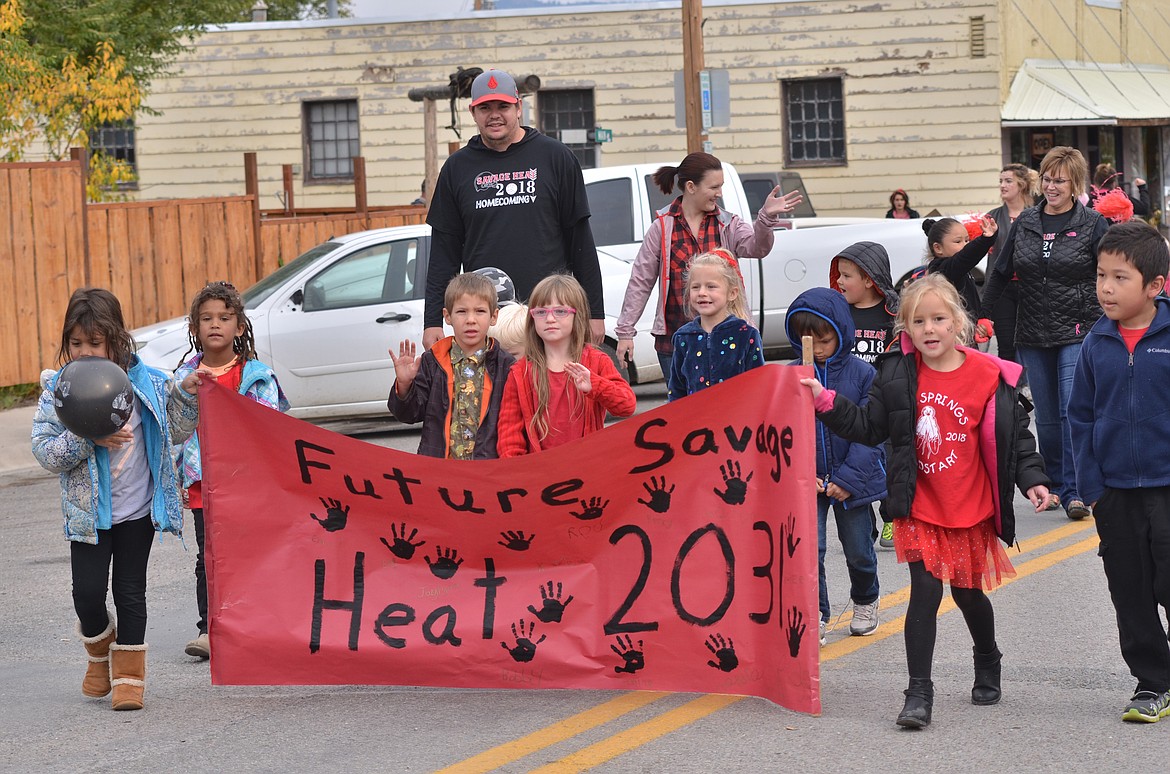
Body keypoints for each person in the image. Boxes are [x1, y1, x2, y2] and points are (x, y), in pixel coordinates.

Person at [801, 274, 1050, 729]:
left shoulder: (988, 376)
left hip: (969, 507)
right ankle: (919, 693)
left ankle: (987, 656)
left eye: (939, 318)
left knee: (969, 594)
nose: (930, 328)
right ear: (906, 329)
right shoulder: (896, 373)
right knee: (926, 591)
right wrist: (824, 401)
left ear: (959, 322)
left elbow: (1015, 439)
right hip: (919, 503)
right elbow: (868, 426)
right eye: (919, 321)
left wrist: (1032, 479)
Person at [31, 288, 205, 711]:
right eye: (76, 344)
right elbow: (44, 450)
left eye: (95, 342)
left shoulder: (148, 382)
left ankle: (129, 678)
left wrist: (185, 392)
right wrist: (87, 440)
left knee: (130, 592)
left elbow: (177, 431)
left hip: (138, 511)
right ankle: (99, 650)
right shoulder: (59, 389)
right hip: (89, 516)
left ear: (116, 338)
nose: (85, 351)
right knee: (87, 595)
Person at [1068, 220, 1170, 723]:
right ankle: (1153, 683)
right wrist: (1092, 486)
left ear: (1155, 285)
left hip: (1167, 487)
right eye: (1101, 276)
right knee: (1129, 590)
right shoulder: (1096, 342)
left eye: (1120, 278)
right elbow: (1080, 415)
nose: (1106, 287)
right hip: (1115, 492)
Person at [424, 68, 605, 350]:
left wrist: (595, 312)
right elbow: (443, 254)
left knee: (551, 392)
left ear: (519, 108)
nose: (494, 114)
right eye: (485, 107)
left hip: (549, 313)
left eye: (503, 106)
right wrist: (432, 320)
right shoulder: (456, 169)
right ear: (473, 113)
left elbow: (580, 240)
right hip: (487, 319)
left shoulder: (556, 158)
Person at [978, 146, 1108, 521]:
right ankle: (1053, 482)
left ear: (1075, 184)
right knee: (1047, 417)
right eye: (1047, 179)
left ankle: (1076, 489)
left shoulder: (1092, 224)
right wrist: (983, 316)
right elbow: (1000, 273)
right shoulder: (1027, 222)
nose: (1051, 186)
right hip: (1032, 331)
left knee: (1071, 410)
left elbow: (1112, 269)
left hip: (1078, 330)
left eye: (1059, 180)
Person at [173, 281, 290, 660]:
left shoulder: (255, 376)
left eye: (224, 317)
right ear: (195, 328)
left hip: (248, 485)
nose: (215, 325)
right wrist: (185, 393)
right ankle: (209, 629)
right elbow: (172, 426)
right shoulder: (183, 379)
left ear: (240, 326)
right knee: (209, 555)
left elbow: (270, 429)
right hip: (204, 484)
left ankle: (258, 624)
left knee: (252, 553)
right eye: (206, 318)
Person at [616, 151, 803, 378]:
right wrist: (625, 332)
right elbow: (641, 281)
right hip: (675, 342)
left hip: (728, 339)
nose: (720, 193)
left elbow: (757, 248)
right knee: (684, 411)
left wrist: (765, 219)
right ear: (692, 187)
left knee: (729, 407)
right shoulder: (662, 227)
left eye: (721, 186)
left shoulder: (728, 223)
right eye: (714, 187)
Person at [784, 287, 884, 645]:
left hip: (850, 481)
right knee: (811, 551)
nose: (817, 347)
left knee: (858, 548)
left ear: (840, 331)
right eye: (806, 339)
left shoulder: (862, 374)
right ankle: (817, 614)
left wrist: (848, 479)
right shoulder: (791, 376)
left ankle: (866, 599)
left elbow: (872, 433)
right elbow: (784, 431)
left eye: (824, 339)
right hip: (807, 481)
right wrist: (799, 473)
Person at [497, 274, 635, 457]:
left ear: (577, 315)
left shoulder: (596, 361)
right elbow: (509, 434)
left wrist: (595, 385)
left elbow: (626, 406)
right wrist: (518, 471)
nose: (550, 319)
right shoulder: (520, 372)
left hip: (588, 468)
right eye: (541, 312)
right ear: (532, 319)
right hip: (541, 475)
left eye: (560, 311)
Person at [389, 272, 515, 460]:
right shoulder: (433, 361)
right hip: (441, 473)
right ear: (447, 316)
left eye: (479, 311)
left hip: (487, 472)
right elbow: (409, 414)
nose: (470, 320)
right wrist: (405, 385)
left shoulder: (506, 366)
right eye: (461, 311)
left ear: (494, 316)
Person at [829, 241, 901, 549]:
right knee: (854, 461)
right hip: (849, 403)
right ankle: (865, 524)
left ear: (869, 279)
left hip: (885, 402)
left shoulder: (895, 312)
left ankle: (891, 517)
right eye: (839, 276)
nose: (839, 282)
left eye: (847, 276)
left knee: (887, 462)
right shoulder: (839, 312)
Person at [667, 249, 765, 401]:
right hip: (696, 421)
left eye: (711, 286)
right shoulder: (683, 337)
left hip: (736, 421)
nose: (702, 292)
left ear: (732, 293)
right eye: (695, 287)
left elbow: (760, 385)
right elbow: (677, 390)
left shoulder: (746, 334)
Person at [985, 163, 1040, 364]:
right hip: (1003, 289)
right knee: (1006, 345)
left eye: (1008, 181)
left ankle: (1026, 386)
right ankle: (1009, 391)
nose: (1002, 185)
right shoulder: (993, 217)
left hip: (1030, 287)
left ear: (1022, 185)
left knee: (1029, 343)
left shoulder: (1037, 215)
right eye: (1000, 181)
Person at [921, 215, 997, 322]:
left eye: (967, 240)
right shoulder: (942, 269)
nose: (965, 245)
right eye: (958, 241)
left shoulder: (959, 268)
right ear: (938, 248)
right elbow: (966, 256)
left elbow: (972, 301)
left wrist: (980, 320)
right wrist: (986, 239)